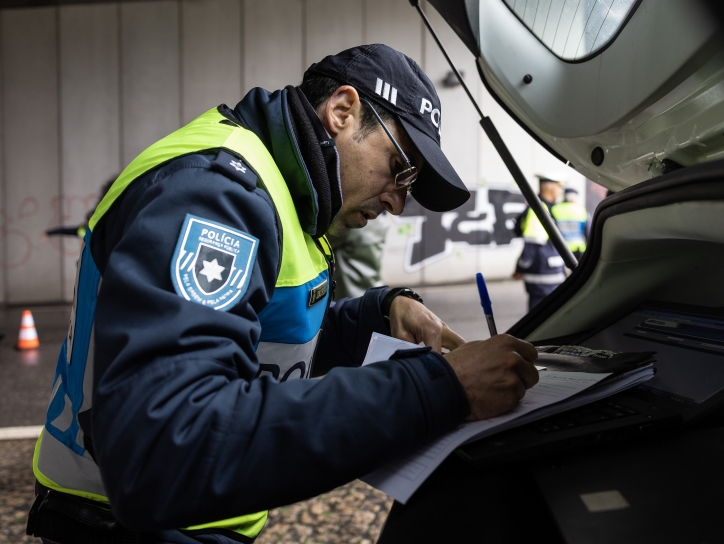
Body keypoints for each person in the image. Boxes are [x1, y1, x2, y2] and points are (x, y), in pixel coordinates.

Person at [27, 44, 539, 544]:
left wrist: (374, 319)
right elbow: (166, 448)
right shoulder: (215, 195)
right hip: (127, 527)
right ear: (342, 111)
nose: (399, 202)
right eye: (401, 169)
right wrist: (438, 389)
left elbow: (248, 336)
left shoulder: (287, 193)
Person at [512, 176, 566, 310]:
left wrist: (520, 268)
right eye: (559, 188)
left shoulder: (545, 209)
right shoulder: (539, 211)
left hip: (547, 277)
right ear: (551, 188)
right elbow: (531, 246)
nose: (560, 192)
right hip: (543, 278)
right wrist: (520, 268)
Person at [326, 211, 391, 299]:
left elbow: (319, 241)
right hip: (371, 292)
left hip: (349, 298)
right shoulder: (380, 223)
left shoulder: (352, 225)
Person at [552, 187, 588, 261]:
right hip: (578, 248)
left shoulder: (555, 209)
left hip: (560, 248)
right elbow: (588, 231)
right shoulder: (582, 210)